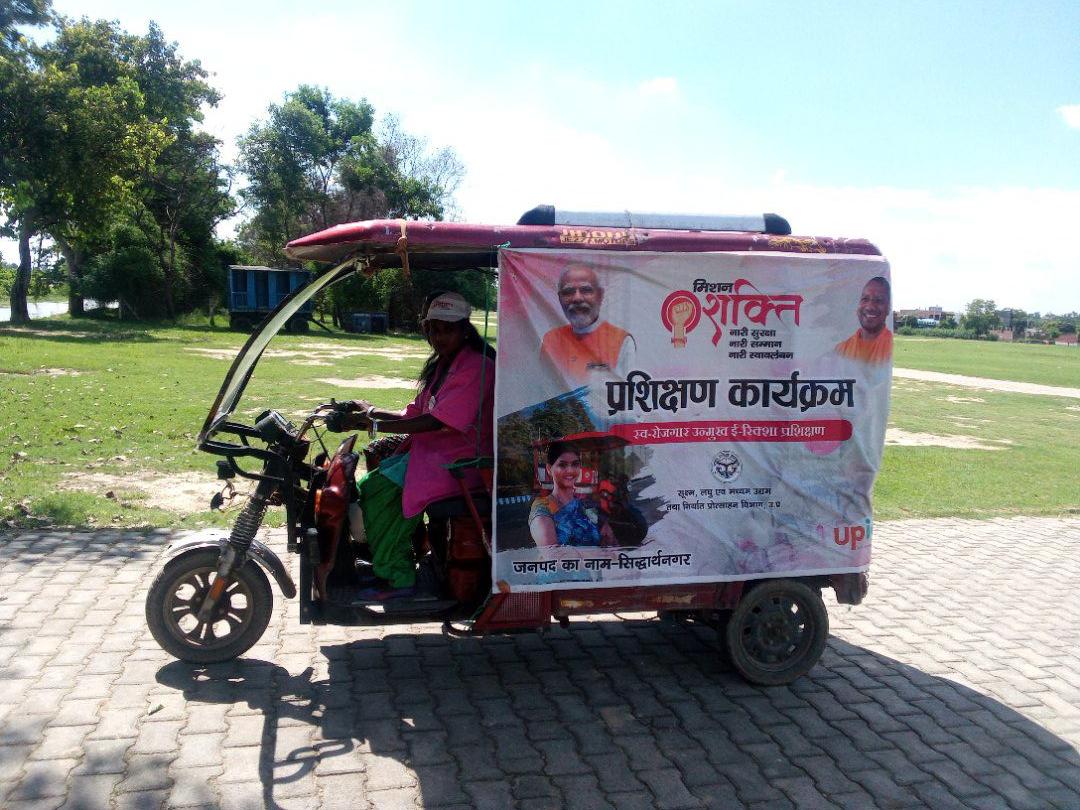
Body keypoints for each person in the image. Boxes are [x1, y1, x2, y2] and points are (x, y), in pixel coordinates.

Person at [329, 291, 495, 597]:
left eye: (447, 329)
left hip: (459, 464)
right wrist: (369, 411)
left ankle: (398, 576)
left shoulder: (476, 366)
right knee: (368, 486)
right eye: (434, 329)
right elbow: (413, 414)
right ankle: (389, 559)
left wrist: (371, 424)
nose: (439, 337)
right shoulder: (445, 365)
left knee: (378, 492)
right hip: (433, 456)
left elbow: (436, 422)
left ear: (464, 329)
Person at [539, 263, 635, 386]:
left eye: (585, 290)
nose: (577, 298)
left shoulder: (622, 341)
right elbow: (541, 389)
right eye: (568, 292)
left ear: (600, 295)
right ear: (559, 298)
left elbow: (628, 393)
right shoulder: (550, 340)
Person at [528, 442, 615, 548]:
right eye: (562, 465)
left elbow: (611, 543)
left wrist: (607, 538)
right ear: (549, 469)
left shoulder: (585, 506)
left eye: (575, 464)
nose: (570, 470)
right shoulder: (543, 508)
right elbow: (552, 555)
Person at [834, 276, 893, 364]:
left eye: (879, 300)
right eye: (865, 299)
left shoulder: (891, 348)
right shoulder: (841, 349)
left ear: (888, 308)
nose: (870, 307)